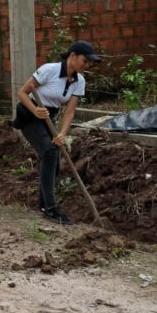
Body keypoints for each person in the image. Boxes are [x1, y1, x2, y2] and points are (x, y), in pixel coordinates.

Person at [14, 40, 100, 225]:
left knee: (55, 162)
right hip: (30, 115)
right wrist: (34, 109)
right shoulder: (49, 70)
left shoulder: (79, 80)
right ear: (72, 56)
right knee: (50, 151)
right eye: (85, 61)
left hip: (49, 117)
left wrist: (62, 133)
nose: (87, 65)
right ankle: (51, 208)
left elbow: (69, 111)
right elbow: (22, 92)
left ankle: (43, 203)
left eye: (89, 63)